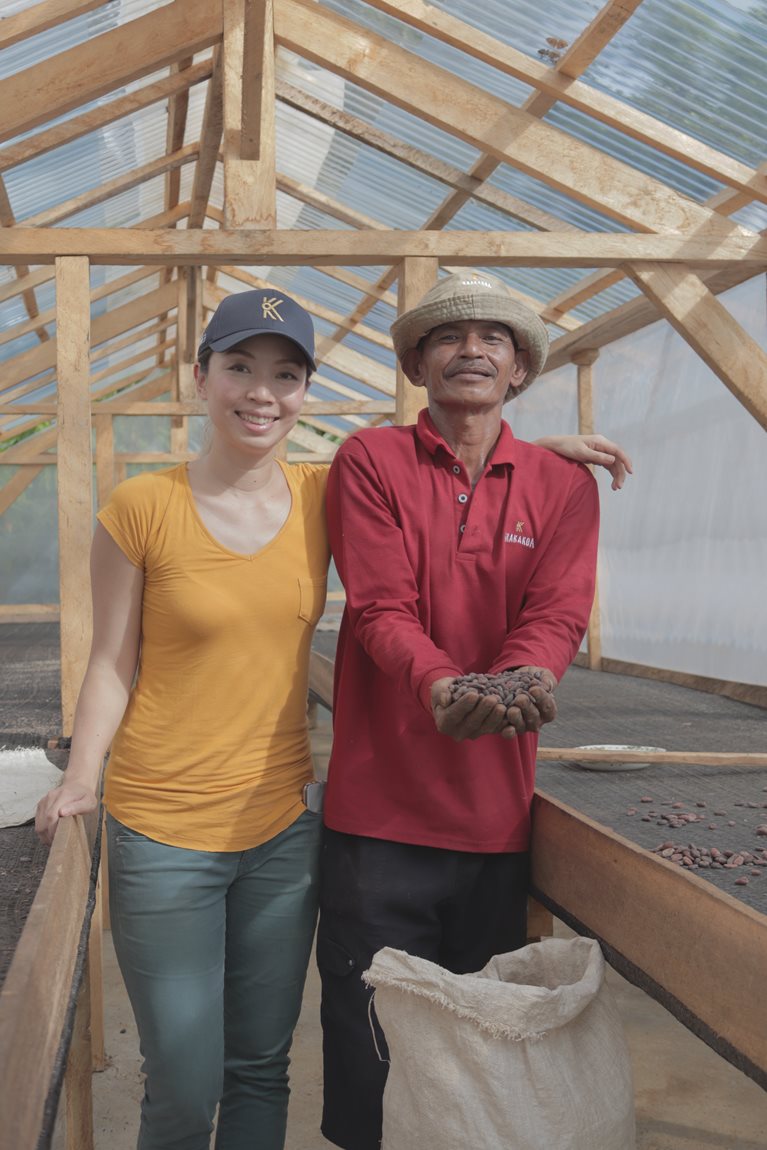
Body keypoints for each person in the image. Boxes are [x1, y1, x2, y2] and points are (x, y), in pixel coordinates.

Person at [35, 284, 629, 1150]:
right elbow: (115, 662)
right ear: (201, 376)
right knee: (211, 1075)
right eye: (239, 368)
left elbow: (477, 496)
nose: (261, 391)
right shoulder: (182, 502)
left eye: (284, 374)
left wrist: (535, 453)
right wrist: (82, 779)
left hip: (297, 824)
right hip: (206, 822)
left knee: (279, 1068)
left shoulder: (335, 487)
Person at [317, 272, 622, 1150]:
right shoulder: (370, 460)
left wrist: (522, 680)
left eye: (496, 338)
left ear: (520, 368)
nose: (472, 349)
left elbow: (557, 611)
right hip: (378, 818)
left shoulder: (563, 486)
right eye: (449, 336)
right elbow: (379, 606)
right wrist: (442, 687)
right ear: (417, 362)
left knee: (478, 1051)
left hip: (494, 822)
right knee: (371, 1038)